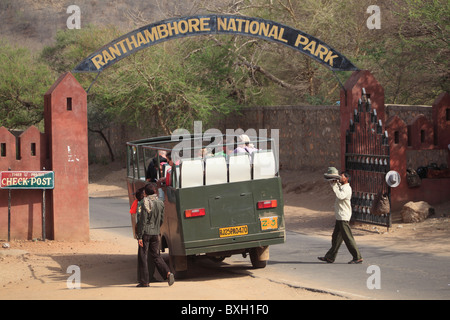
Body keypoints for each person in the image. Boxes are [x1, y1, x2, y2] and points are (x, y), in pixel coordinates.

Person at [318, 169, 363, 264]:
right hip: (339, 217)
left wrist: (334, 185)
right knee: (336, 238)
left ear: (346, 178)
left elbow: (340, 196)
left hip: (343, 217)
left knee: (348, 238)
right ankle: (330, 257)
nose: (340, 177)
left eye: (342, 176)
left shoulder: (347, 188)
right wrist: (333, 182)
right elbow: (338, 188)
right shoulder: (342, 186)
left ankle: (357, 257)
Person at [136, 183, 175, 287]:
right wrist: (157, 228)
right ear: (155, 192)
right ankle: (167, 273)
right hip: (156, 233)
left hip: (146, 233)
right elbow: (161, 219)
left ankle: (144, 281)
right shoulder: (160, 203)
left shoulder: (145, 203)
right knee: (156, 256)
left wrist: (139, 236)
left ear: (146, 193)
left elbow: (143, 221)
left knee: (143, 256)